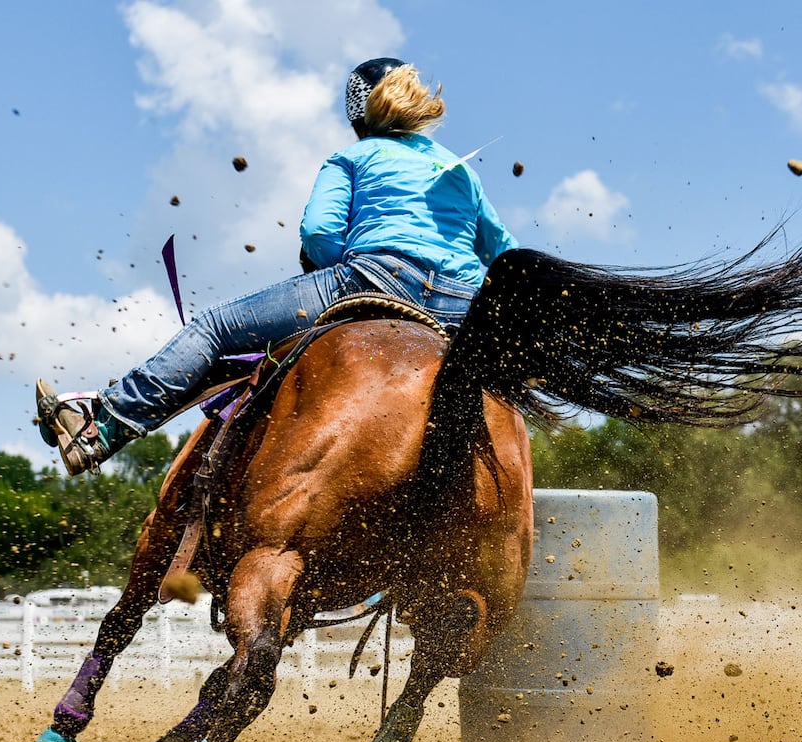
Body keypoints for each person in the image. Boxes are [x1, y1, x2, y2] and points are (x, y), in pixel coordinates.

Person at [37, 58, 517, 475]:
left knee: (214, 326)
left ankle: (102, 425)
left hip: (377, 280)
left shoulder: (351, 156)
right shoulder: (462, 171)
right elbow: (505, 256)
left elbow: (318, 233)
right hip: (461, 308)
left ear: (360, 118)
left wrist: (346, 273)